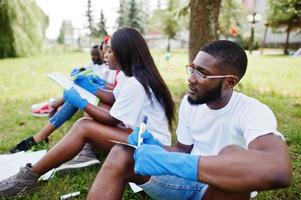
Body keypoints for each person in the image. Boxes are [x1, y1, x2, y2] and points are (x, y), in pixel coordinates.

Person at [83, 40, 292, 200]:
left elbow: (278, 169)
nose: (191, 78)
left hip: (219, 190)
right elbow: (183, 150)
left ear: (229, 82)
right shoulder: (190, 103)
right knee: (123, 151)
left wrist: (181, 164)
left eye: (202, 73)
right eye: (192, 68)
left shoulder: (252, 111)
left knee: (231, 154)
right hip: (185, 182)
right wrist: (157, 148)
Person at [0, 27, 175, 198]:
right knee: (88, 120)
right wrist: (89, 86)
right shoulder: (126, 76)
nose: (105, 55)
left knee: (83, 126)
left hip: (152, 145)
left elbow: (111, 119)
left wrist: (82, 103)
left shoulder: (135, 83)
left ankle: (26, 178)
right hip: (137, 135)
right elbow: (113, 99)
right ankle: (33, 173)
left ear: (124, 53)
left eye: (110, 51)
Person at [9, 43, 117, 154]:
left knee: (83, 97)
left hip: (120, 124)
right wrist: (96, 83)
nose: (104, 55)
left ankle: (84, 149)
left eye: (108, 52)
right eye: (103, 52)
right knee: (80, 94)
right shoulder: (120, 71)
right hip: (116, 114)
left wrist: (97, 85)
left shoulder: (126, 75)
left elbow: (115, 104)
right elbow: (116, 94)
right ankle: (40, 136)